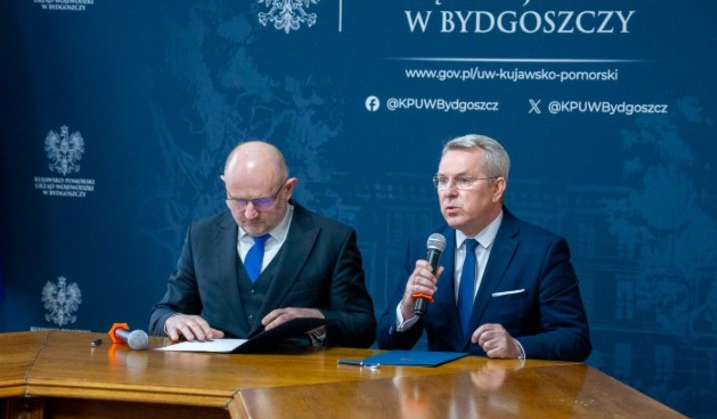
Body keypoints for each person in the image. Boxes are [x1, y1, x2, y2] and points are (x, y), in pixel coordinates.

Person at [376, 134, 591, 361]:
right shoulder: (424, 246)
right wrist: (407, 308)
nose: (448, 192)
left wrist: (517, 347)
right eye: (442, 180)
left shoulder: (542, 251)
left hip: (510, 383)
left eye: (464, 180)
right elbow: (387, 342)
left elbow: (575, 337)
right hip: (440, 383)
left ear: (497, 188)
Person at [149, 141, 376, 348]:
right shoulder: (202, 235)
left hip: (295, 376)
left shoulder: (333, 240)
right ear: (225, 185)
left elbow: (363, 327)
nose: (250, 213)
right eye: (238, 200)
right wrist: (172, 320)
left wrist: (316, 318)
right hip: (216, 374)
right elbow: (164, 312)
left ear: (288, 189)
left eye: (263, 201)